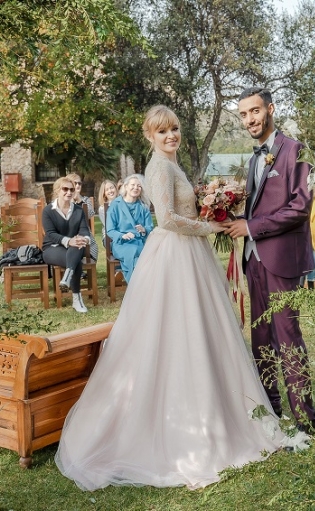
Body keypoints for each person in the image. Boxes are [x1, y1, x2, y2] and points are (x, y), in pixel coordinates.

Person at [56, 105, 287, 491]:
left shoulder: (174, 165)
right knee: (174, 332)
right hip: (173, 255)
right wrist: (211, 224)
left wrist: (214, 203)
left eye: (175, 129)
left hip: (190, 256)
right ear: (149, 136)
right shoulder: (159, 168)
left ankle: (220, 410)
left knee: (202, 330)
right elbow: (167, 219)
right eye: (162, 132)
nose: (171, 136)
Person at [222, 87, 315, 433]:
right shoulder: (253, 160)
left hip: (281, 260)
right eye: (244, 114)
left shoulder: (295, 151)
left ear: (270, 109)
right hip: (254, 260)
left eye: (254, 111)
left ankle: (306, 421)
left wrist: (250, 226)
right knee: (260, 337)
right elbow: (256, 208)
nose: (249, 119)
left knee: (287, 337)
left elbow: (299, 208)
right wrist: (229, 215)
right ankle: (271, 410)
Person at [41, 176, 96, 313]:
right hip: (52, 248)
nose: (69, 192)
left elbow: (84, 229)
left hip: (74, 248)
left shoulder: (78, 210)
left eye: (71, 189)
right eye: (65, 189)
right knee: (76, 259)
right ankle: (77, 299)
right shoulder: (48, 211)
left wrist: (84, 239)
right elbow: (50, 234)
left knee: (77, 248)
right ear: (57, 191)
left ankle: (68, 277)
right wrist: (68, 240)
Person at [104, 174, 154, 283]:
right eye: (133, 185)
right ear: (126, 187)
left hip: (139, 242)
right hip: (121, 244)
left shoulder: (143, 206)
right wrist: (122, 235)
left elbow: (150, 227)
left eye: (139, 186)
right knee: (134, 253)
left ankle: (135, 288)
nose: (136, 188)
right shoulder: (115, 205)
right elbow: (110, 230)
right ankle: (139, 286)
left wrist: (144, 229)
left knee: (140, 254)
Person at [65, 172, 98, 262]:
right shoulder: (64, 200)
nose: (78, 185)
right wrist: (71, 200)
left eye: (79, 183)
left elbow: (91, 214)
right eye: (75, 183)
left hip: (84, 236)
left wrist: (79, 199)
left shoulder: (86, 200)